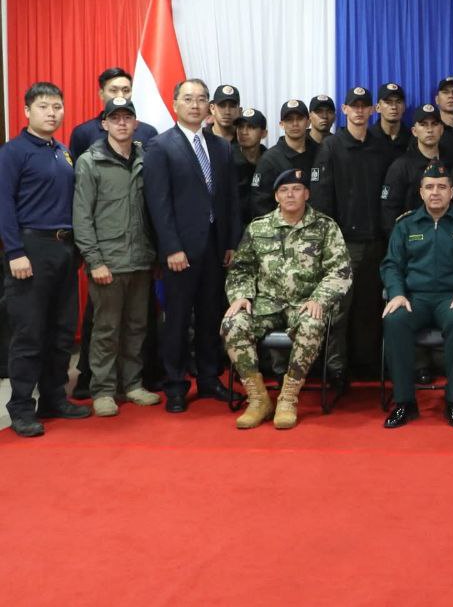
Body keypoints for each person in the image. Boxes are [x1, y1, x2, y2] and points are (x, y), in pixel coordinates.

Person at [222, 169, 352, 430]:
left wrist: (320, 299)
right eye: (284, 190)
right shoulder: (258, 228)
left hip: (304, 304)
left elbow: (341, 270)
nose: (290, 194)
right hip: (265, 303)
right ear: (276, 196)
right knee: (232, 323)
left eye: (296, 189)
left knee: (314, 323)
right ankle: (258, 398)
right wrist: (241, 296)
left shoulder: (325, 227)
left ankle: (288, 397)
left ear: (307, 193)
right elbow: (241, 268)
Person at [144, 79, 243, 413]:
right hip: (180, 252)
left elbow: (229, 198)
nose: (196, 105)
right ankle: (174, 385)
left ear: (210, 107)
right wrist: (170, 247)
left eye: (202, 99)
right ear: (175, 104)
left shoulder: (221, 146)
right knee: (177, 320)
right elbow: (158, 203)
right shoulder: (160, 146)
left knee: (209, 317)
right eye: (188, 99)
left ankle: (209, 378)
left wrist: (230, 241)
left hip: (215, 249)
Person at [0, 82, 92, 437]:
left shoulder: (63, 151)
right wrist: (15, 252)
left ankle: (54, 398)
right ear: (27, 111)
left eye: (57, 106)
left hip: (65, 250)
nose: (51, 112)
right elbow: (5, 205)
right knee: (29, 333)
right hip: (31, 248)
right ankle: (21, 406)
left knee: (62, 330)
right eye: (43, 106)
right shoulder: (13, 151)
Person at [380, 162, 453, 429]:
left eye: (442, 187)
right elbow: (391, 264)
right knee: (394, 320)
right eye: (429, 187)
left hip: (451, 298)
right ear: (420, 192)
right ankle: (405, 402)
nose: (435, 192)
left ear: (452, 192)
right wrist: (396, 293)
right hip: (414, 298)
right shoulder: (406, 225)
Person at [72, 97, 160, 416]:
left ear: (136, 123)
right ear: (104, 124)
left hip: (140, 259)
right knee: (106, 329)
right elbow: (82, 217)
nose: (122, 123)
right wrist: (95, 261)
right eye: (115, 118)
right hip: (107, 262)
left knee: (137, 327)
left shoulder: (146, 158)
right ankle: (103, 389)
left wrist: (155, 256)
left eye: (128, 117)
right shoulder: (89, 161)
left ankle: (133, 384)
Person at [310, 86, 399, 383]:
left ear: (372, 110)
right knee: (339, 310)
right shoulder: (332, 147)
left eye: (364, 106)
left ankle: (368, 365)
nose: (359, 111)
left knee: (370, 306)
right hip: (343, 243)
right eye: (353, 106)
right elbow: (321, 199)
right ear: (345, 111)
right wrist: (329, 242)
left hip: (376, 241)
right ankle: (335, 368)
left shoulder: (381, 145)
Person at [68, 67, 159, 160]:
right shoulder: (83, 133)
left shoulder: (148, 132)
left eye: (126, 90)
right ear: (101, 94)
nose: (120, 96)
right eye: (113, 90)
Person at [381, 104, 445, 235]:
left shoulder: (450, 162)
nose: (429, 130)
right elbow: (389, 212)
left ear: (442, 129)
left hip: (446, 241)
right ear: (414, 131)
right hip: (412, 244)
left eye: (434, 124)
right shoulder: (401, 167)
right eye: (423, 124)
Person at [251, 100, 319, 218]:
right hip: (281, 231)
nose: (295, 124)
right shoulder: (269, 159)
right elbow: (260, 204)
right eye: (289, 120)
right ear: (281, 124)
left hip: (316, 229)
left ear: (308, 122)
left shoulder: (320, 153)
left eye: (299, 118)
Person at [231, 107, 268, 229]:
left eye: (251, 127)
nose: (244, 132)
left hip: (266, 230)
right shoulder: (227, 159)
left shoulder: (271, 161)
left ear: (263, 133)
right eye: (240, 127)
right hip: (235, 231)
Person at [372, 82, 412, 150]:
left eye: (398, 102)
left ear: (404, 107)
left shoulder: (412, 139)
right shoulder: (367, 138)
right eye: (388, 102)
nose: (394, 107)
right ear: (378, 108)